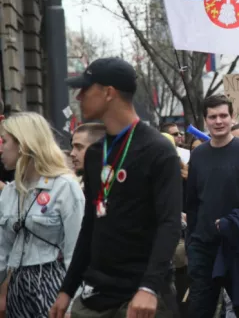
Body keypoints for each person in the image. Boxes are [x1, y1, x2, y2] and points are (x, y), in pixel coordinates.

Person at [51, 57, 182, 318]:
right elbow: (90, 224)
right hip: (96, 294)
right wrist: (67, 288)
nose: (78, 97)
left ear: (108, 92)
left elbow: (169, 223)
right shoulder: (95, 153)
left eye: (86, 89)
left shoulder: (158, 150)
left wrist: (149, 287)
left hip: (141, 297)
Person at [186, 95, 239, 318]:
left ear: (232, 118)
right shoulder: (198, 155)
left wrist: (234, 223)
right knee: (199, 308)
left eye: (223, 115)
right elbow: (192, 203)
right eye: (213, 117)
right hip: (204, 246)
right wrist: (192, 242)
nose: (219, 121)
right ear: (205, 121)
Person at [0, 112, 84, 317]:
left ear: (23, 144)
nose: (0, 148)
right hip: (18, 289)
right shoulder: (10, 192)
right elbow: (2, 252)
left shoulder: (65, 187)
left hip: (55, 286)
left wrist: (73, 305)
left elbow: (77, 253)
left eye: (5, 141)